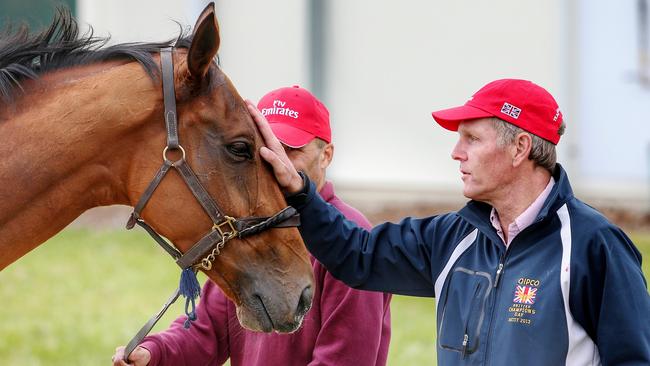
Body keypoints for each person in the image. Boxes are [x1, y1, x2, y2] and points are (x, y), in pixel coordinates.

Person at [250, 79, 650, 365]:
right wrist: (299, 191)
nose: (456, 153)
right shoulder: (452, 238)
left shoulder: (594, 245)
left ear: (520, 147)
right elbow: (358, 255)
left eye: (472, 139)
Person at [112, 85, 391, 366]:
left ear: (326, 154)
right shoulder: (249, 227)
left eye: (290, 150)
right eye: (265, 148)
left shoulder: (353, 241)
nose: (275, 161)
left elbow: (345, 360)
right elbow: (206, 331)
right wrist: (153, 354)